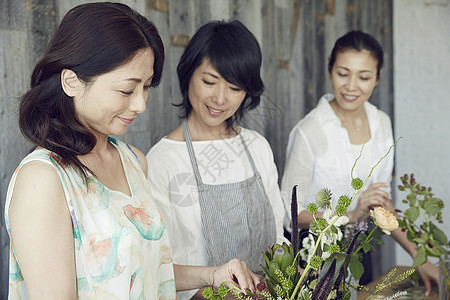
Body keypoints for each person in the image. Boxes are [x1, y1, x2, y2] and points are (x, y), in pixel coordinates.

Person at [4, 3, 261, 299]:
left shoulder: (133, 161)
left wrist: (213, 274)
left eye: (147, 87)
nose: (140, 105)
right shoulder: (43, 180)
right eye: (127, 90)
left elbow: (146, 270)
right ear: (71, 81)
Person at [281, 30, 439, 295]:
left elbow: (380, 204)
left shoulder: (381, 123)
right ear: (330, 70)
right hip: (311, 257)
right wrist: (350, 216)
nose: (352, 86)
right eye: (343, 73)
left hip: (357, 251)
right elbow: (292, 215)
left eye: (364, 77)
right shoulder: (310, 130)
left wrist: (419, 257)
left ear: (377, 77)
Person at [146, 20, 287, 299]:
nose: (220, 98)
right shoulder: (162, 161)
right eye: (209, 82)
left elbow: (279, 240)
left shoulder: (257, 147)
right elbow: (159, 268)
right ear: (188, 75)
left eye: (234, 88)